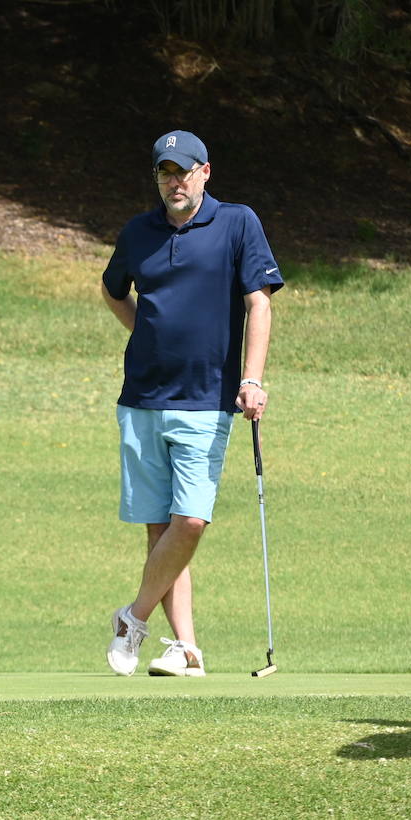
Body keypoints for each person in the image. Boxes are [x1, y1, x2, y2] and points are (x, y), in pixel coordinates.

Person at [99, 130, 282, 677]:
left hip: (206, 399)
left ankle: (132, 619)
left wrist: (252, 377)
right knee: (160, 530)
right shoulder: (139, 232)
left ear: (206, 172)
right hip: (142, 399)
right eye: (164, 173)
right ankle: (185, 649)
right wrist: (145, 333)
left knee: (191, 521)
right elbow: (113, 289)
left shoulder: (237, 223)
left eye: (184, 171)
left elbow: (259, 303)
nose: (174, 181)